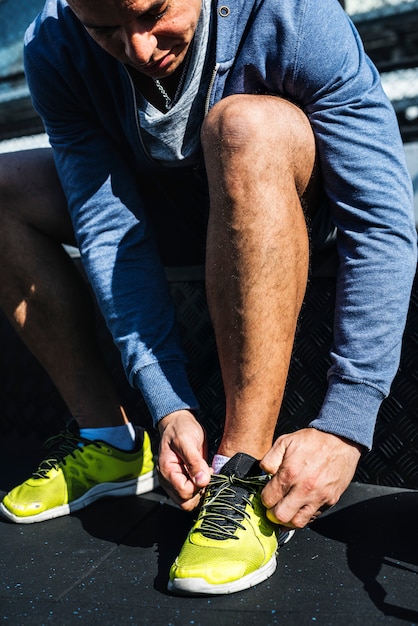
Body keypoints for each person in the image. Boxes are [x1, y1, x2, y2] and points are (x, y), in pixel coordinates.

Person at [0, 0, 416, 596]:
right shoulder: (55, 44)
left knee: (241, 126)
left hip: (287, 195)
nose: (139, 49)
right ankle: (108, 442)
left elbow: (379, 217)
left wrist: (346, 423)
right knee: (2, 191)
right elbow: (110, 226)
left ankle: (239, 471)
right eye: (107, 30)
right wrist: (164, 401)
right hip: (173, 209)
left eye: (152, 13)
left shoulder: (293, 13)